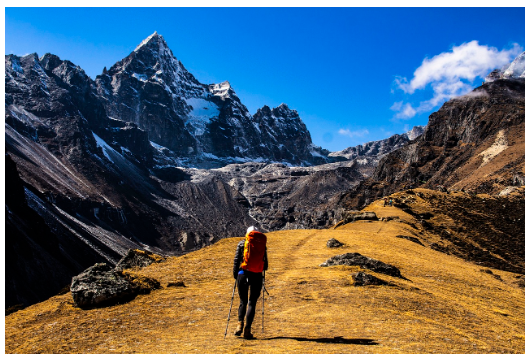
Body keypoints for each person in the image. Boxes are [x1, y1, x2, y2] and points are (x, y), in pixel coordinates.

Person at [233, 226, 268, 339]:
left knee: (243, 301)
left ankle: (239, 325)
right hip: (257, 276)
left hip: (243, 274)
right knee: (252, 302)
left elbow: (236, 260)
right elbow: (265, 265)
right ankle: (247, 330)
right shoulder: (262, 245)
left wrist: (235, 274)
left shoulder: (242, 244)